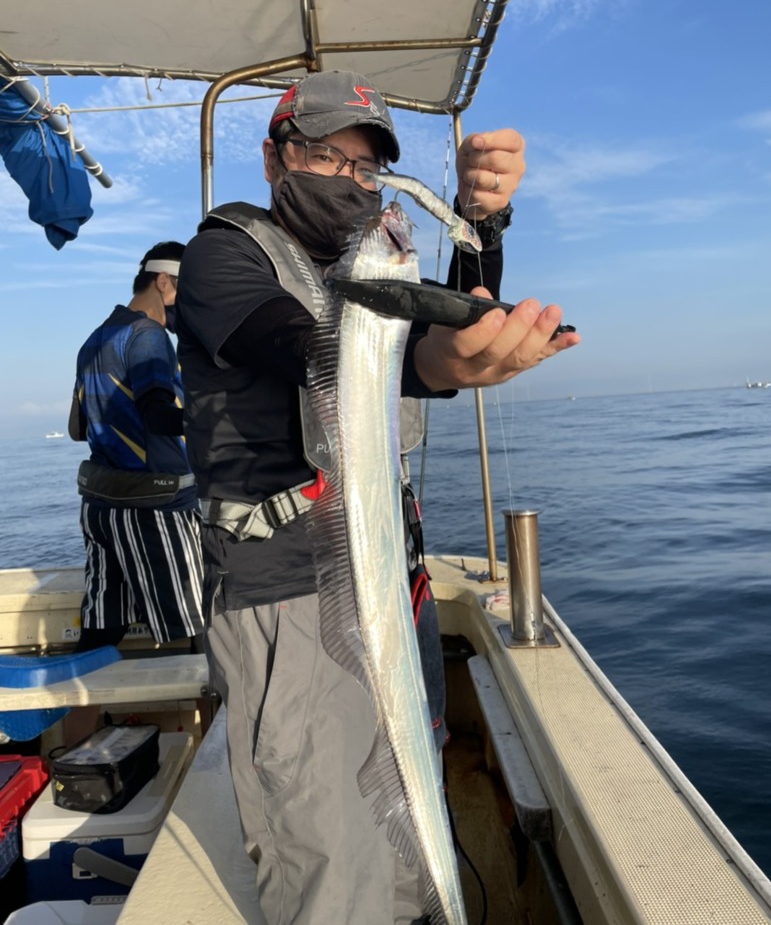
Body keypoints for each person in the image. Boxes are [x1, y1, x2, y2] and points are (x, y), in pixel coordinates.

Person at [175, 70, 579, 924]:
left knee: (408, 838)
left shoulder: (363, 263)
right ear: (275, 158)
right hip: (284, 599)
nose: (351, 184)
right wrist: (433, 362)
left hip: (391, 584)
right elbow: (318, 350)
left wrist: (481, 224)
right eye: (328, 157)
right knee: (336, 867)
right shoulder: (224, 254)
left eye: (368, 170)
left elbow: (434, 319)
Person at [68, 241, 204, 664]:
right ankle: (215, 729)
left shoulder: (95, 338)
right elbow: (158, 415)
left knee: (101, 633)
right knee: (201, 630)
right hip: (157, 507)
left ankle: (75, 730)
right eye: (190, 291)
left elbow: (77, 429)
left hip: (101, 508)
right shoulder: (149, 334)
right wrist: (216, 422)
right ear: (163, 282)